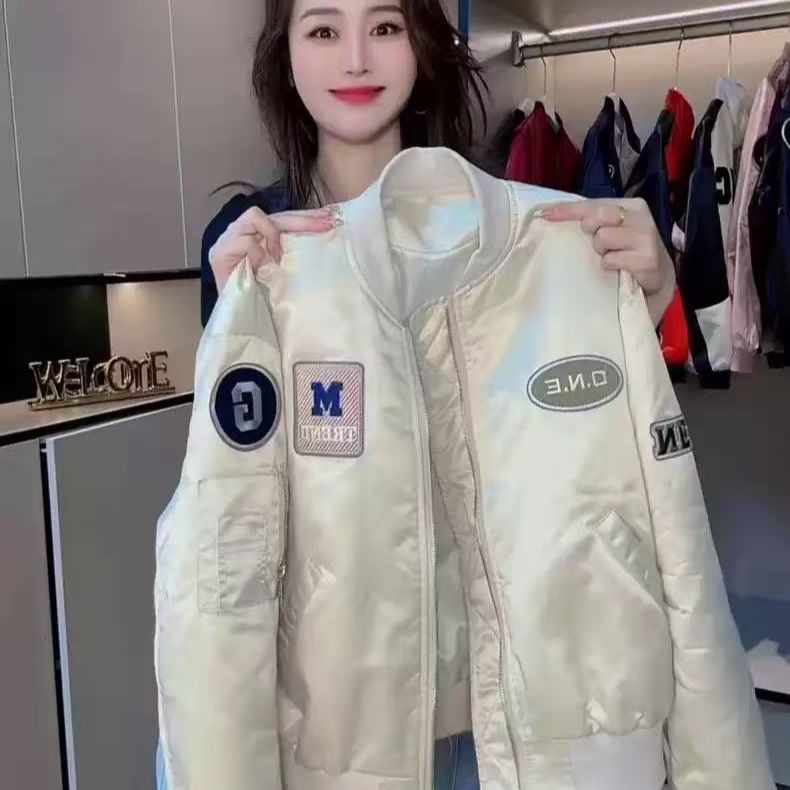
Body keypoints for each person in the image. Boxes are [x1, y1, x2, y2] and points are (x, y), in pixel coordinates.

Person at [187, 1, 676, 788]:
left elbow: (576, 442)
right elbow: (231, 505)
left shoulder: (516, 233)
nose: (356, 58)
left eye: (384, 27)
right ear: (285, 56)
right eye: (323, 30)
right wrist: (232, 330)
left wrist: (642, 298)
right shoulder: (252, 244)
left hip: (513, 713)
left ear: (421, 47)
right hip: (345, 729)